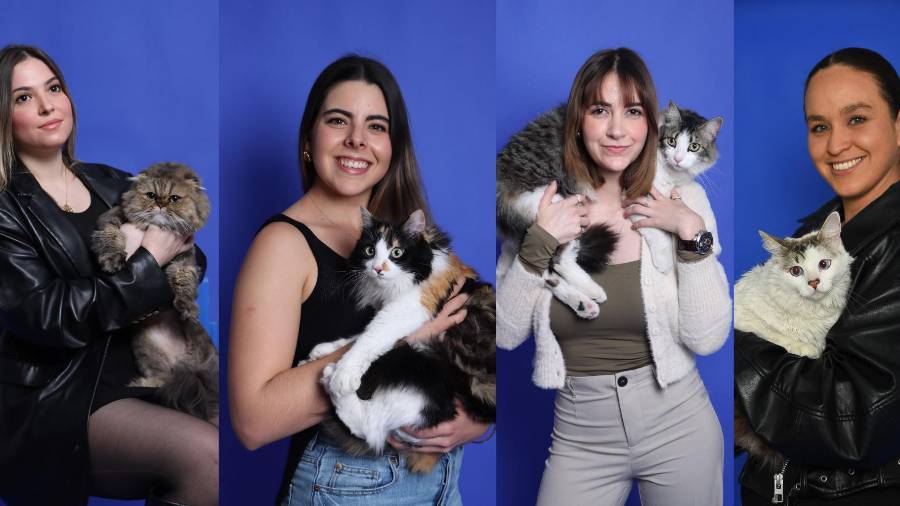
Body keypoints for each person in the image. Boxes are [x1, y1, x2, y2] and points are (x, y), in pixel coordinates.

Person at [228, 54, 490, 506]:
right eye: (338, 121)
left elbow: (466, 352)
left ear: (393, 147)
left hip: (440, 479)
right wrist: (400, 340)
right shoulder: (282, 244)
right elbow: (252, 422)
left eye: (376, 126)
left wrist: (473, 422)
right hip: (347, 486)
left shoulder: (405, 240)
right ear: (309, 138)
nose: (356, 140)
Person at [496, 47, 731, 505]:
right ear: (577, 120)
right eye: (600, 110)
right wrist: (541, 238)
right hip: (580, 434)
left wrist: (690, 232)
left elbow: (705, 339)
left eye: (633, 111)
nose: (617, 129)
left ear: (651, 123)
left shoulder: (684, 200)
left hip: (679, 426)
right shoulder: (546, 204)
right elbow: (505, 334)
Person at [0, 45, 217, 506]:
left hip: (148, 372)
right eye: (23, 97)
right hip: (64, 394)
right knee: (208, 456)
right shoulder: (6, 208)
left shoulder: (113, 182)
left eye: (53, 88)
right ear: (3, 116)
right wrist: (147, 263)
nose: (47, 105)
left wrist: (171, 256)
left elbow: (192, 261)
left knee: (227, 442)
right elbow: (45, 316)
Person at [736, 47, 900, 505]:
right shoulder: (809, 238)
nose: (835, 145)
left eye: (857, 119)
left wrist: (727, 348)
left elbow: (853, 424)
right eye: (819, 127)